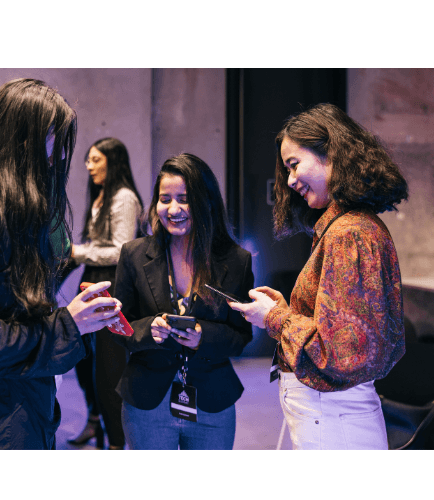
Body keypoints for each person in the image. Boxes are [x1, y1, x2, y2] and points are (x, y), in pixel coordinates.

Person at [0, 78, 122, 450]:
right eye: (56, 140)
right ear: (22, 139)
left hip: (13, 405)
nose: (61, 158)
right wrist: (70, 324)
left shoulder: (4, 206)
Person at [229, 103, 408, 450]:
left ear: (330, 152)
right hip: (332, 416)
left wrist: (274, 317)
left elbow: (340, 352)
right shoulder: (350, 226)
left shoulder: (347, 233)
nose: (291, 180)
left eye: (294, 165)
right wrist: (286, 312)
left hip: (333, 420)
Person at [112, 153, 254, 450]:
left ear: (206, 202)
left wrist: (203, 335)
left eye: (184, 199)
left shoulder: (235, 261)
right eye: (165, 199)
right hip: (147, 403)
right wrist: (147, 328)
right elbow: (118, 325)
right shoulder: (134, 254)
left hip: (212, 403)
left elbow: (241, 336)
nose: (173, 209)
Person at [66, 138, 143, 450]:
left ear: (113, 161)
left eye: (95, 159)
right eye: (88, 159)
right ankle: (96, 421)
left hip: (110, 285)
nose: (89, 165)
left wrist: (77, 252)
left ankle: (116, 442)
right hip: (92, 281)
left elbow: (121, 249)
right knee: (85, 363)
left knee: (109, 369)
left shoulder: (124, 198)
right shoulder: (101, 196)